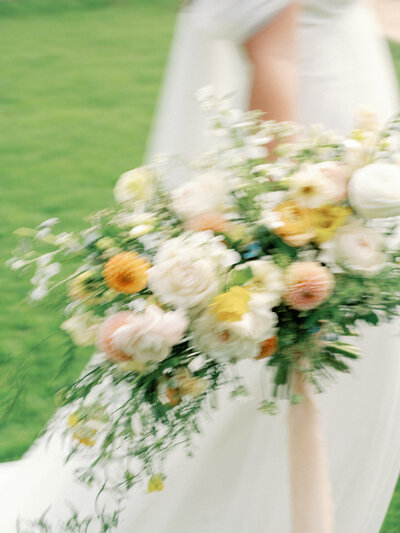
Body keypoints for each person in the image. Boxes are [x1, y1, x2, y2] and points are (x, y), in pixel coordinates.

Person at [1, 1, 399, 532]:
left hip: (352, 158)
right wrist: (282, 221)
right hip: (315, 174)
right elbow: (274, 55)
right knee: (269, 379)